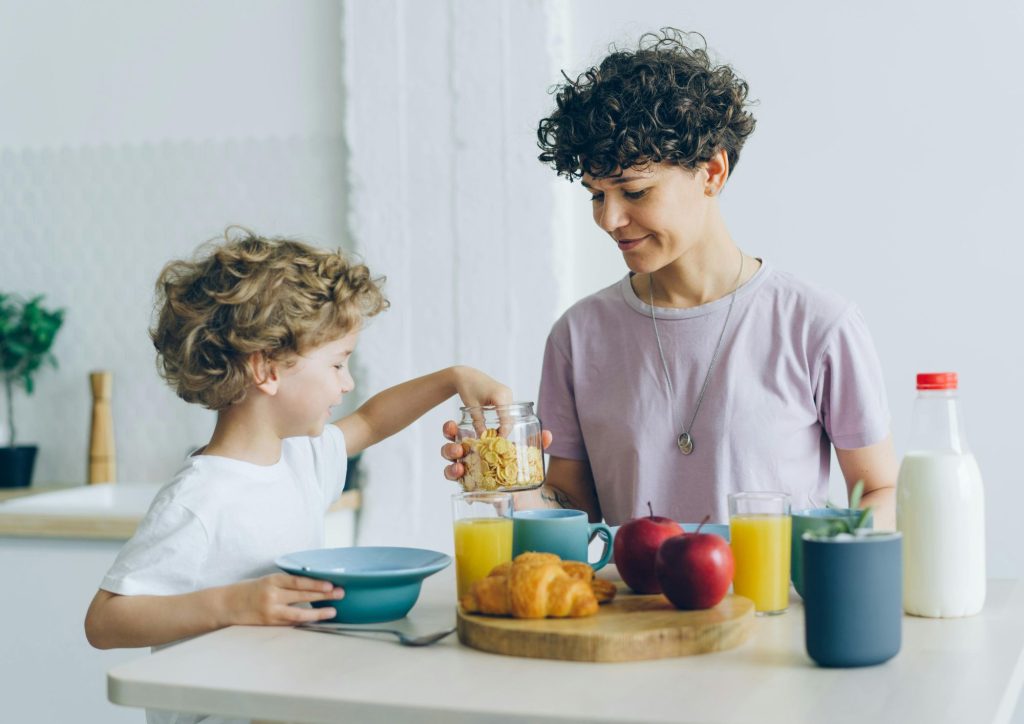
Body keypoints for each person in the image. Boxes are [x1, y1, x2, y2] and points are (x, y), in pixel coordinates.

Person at [442, 28, 897, 529]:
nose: (608, 219)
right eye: (596, 195)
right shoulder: (578, 335)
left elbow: (879, 488)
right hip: (629, 606)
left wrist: (828, 560)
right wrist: (508, 483)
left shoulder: (818, 325)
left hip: (769, 605)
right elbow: (574, 506)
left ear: (713, 173)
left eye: (633, 191)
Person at [85, 228, 512, 722]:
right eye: (337, 364)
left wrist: (452, 378)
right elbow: (105, 621)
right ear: (266, 369)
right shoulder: (200, 499)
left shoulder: (299, 457)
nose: (346, 383)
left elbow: (371, 421)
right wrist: (232, 603)